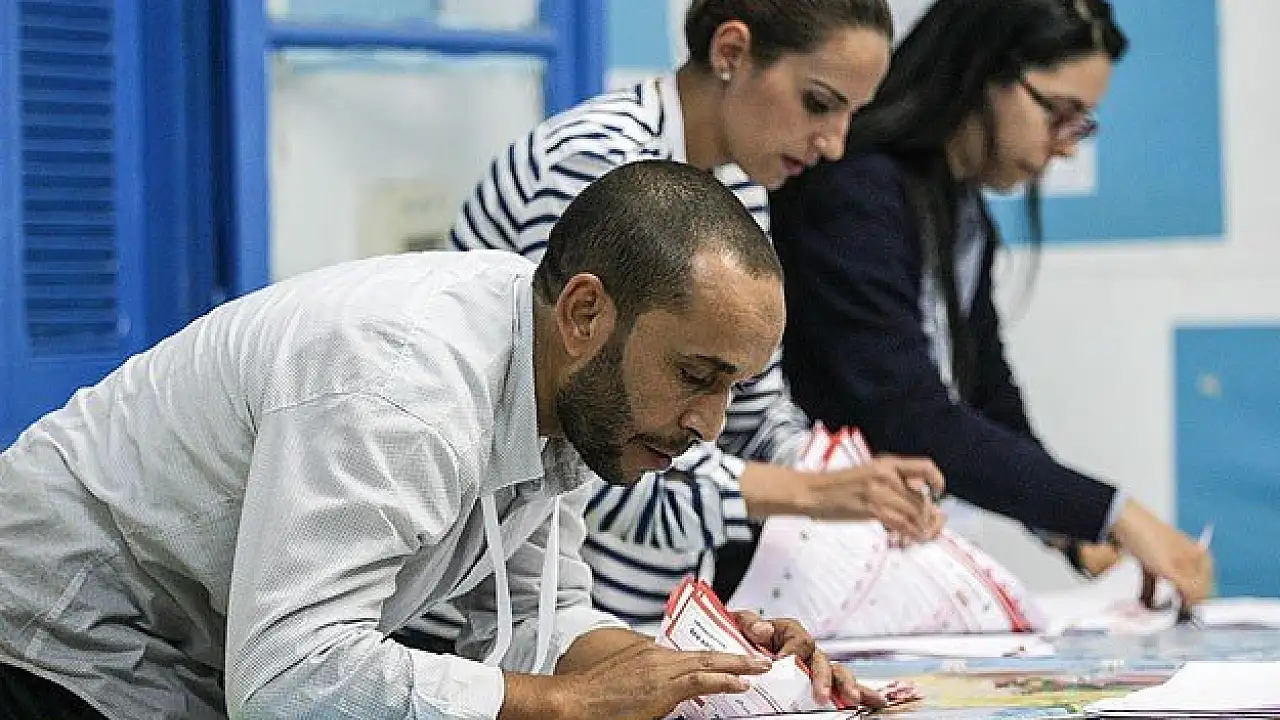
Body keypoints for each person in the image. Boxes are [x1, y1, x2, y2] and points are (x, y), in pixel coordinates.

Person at [0, 161, 878, 720]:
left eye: (733, 387)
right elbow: (288, 679)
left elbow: (538, 623)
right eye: (695, 375)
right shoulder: (405, 386)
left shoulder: (565, 381)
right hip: (62, 627)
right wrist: (568, 705)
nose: (710, 425)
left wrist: (714, 675)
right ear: (586, 313)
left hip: (191, 647)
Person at [441, 0, 944, 634]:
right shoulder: (593, 160)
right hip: (487, 616)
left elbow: (753, 414)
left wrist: (849, 480)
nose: (834, 144)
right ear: (731, 52)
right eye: (819, 103)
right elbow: (594, 452)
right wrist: (813, 495)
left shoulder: (741, 189)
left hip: (621, 608)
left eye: (852, 115)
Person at [769, 0, 1213, 606]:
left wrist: (1071, 531)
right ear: (982, 71)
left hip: (885, 556)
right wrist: (1114, 513)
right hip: (801, 563)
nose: (1066, 146)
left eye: (1081, 123)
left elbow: (987, 395)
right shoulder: (856, 192)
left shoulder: (961, 210)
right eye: (1059, 113)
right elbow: (910, 417)